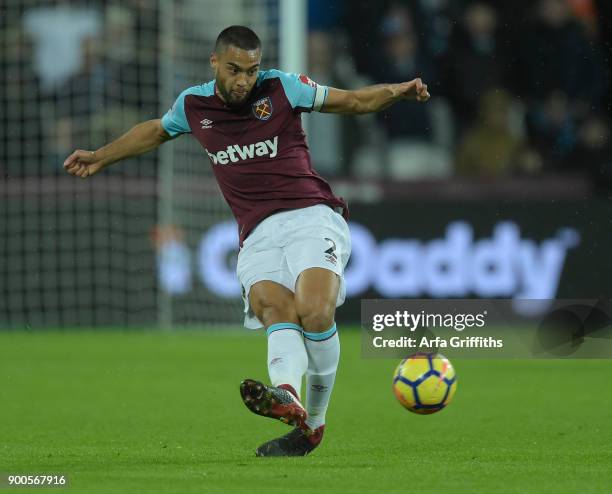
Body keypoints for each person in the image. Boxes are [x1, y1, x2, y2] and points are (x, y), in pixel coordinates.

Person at [63, 25, 430, 456]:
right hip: (256, 233)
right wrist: (100, 156)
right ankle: (289, 400)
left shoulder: (283, 88)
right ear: (214, 62)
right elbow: (156, 131)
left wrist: (396, 90)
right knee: (275, 309)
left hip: (311, 215)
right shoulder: (193, 105)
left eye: (251, 71)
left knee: (314, 310)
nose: (243, 81)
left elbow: (351, 101)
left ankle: (314, 423)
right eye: (235, 70)